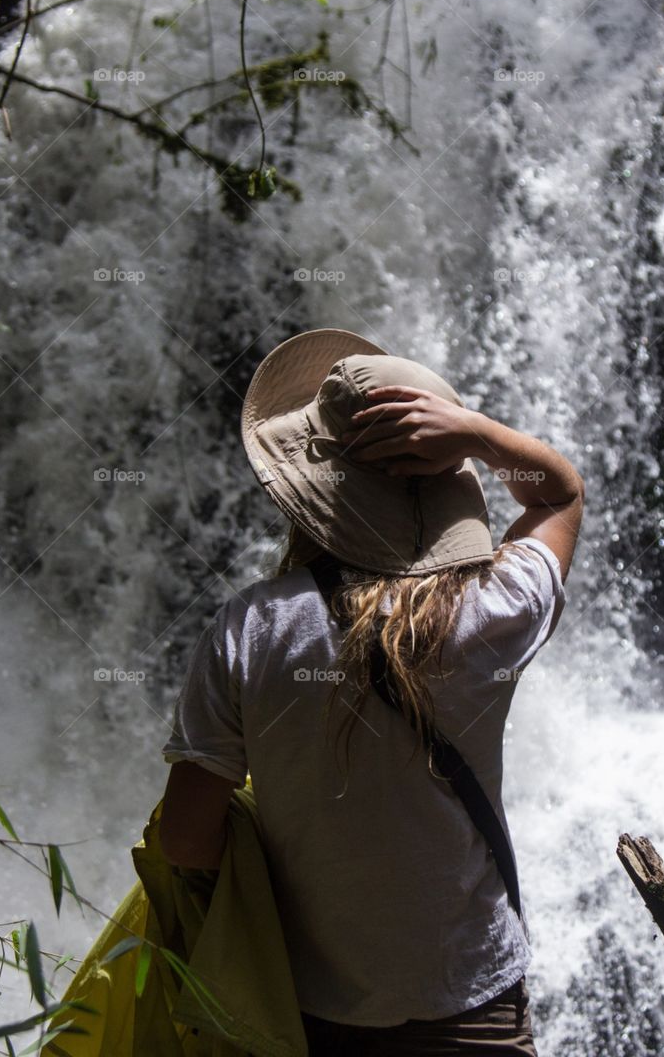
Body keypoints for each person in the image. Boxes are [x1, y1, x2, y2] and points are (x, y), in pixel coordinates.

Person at [159, 328, 584, 1056]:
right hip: (472, 1001)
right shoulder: (492, 609)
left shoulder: (251, 627)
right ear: (442, 486)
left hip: (314, 1014)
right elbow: (560, 495)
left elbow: (185, 840)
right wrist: (479, 436)